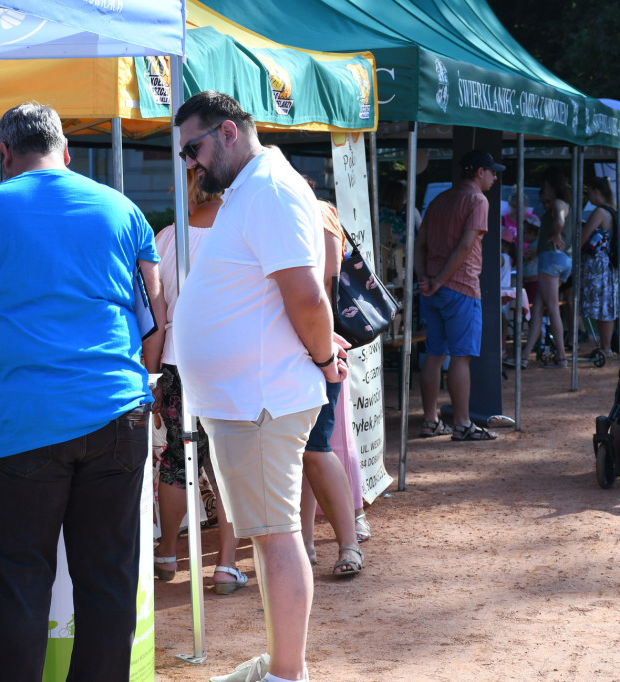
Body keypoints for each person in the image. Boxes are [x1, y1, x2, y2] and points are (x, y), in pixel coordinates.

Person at [0, 102, 165, 682]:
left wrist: (1, 346)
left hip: (25, 424)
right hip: (117, 413)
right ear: (67, 150)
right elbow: (156, 310)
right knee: (108, 580)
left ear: (3, 153)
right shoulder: (123, 208)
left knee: (19, 587)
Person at [172, 91, 347, 682]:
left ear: (227, 132)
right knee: (271, 537)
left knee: (275, 539)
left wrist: (324, 360)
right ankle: (281, 667)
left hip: (261, 399)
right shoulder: (253, 186)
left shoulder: (268, 187)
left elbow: (306, 294)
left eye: (192, 149)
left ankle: (285, 674)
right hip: (250, 399)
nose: (189, 164)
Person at [152, 167, 245, 594]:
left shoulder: (167, 238)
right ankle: (226, 566)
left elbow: (156, 319)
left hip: (174, 364)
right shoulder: (242, 233)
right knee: (227, 467)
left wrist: (152, 378)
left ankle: (167, 553)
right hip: (232, 366)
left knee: (176, 459)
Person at [414, 148, 501, 441]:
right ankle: (462, 424)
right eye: (492, 171)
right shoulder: (478, 200)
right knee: (461, 358)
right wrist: (438, 280)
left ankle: (430, 421)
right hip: (460, 287)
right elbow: (466, 247)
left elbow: (419, 243)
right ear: (480, 172)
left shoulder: (440, 199)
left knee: (434, 354)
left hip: (434, 289)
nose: (495, 176)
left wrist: (425, 279)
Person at [300, 199, 364, 577]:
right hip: (301, 350)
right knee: (304, 450)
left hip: (319, 347)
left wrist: (322, 355)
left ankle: (349, 544)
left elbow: (324, 284)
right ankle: (308, 543)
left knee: (317, 448)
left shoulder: (318, 213)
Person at [507, 167, 572, 370]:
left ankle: (561, 357)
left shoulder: (560, 204)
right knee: (539, 308)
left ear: (551, 186)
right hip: (563, 261)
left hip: (550, 259)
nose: (543, 194)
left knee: (552, 308)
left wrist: (556, 232)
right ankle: (524, 357)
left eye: (544, 188)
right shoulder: (563, 204)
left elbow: (560, 219)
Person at [581, 176, 619, 358]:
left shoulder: (599, 212)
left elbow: (583, 237)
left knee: (600, 306)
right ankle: (606, 347)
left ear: (597, 191)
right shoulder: (612, 211)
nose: (589, 195)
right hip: (608, 266)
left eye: (590, 191)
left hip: (597, 266)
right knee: (606, 307)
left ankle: (605, 347)